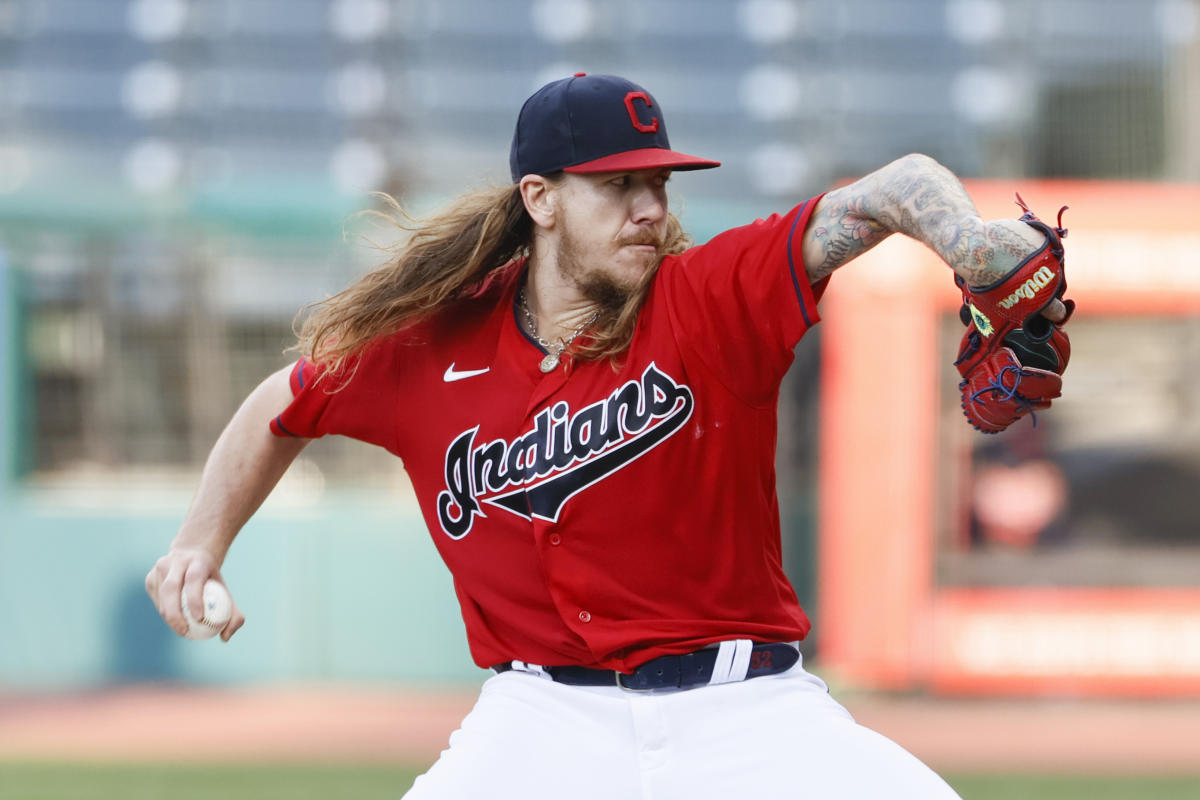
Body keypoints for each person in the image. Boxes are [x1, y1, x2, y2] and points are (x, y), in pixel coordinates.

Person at [145, 73, 1069, 798]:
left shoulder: (710, 297)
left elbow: (893, 188)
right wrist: (199, 543)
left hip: (749, 716)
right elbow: (282, 402)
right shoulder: (429, 349)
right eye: (618, 186)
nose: (650, 210)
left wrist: (968, 244)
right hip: (539, 723)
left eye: (657, 184)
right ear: (540, 199)